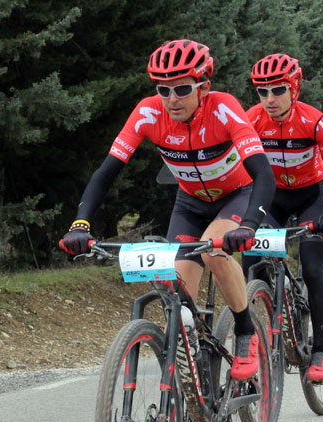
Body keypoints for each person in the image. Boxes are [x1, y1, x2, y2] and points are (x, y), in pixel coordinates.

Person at [61, 39, 275, 383]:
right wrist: (80, 224)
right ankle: (190, 385)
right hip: (190, 203)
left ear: (203, 87)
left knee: (215, 253)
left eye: (182, 88)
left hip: (237, 194)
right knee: (177, 293)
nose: (172, 98)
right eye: (163, 89)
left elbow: (264, 173)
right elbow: (106, 172)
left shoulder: (223, 108)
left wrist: (249, 225)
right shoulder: (148, 112)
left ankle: (245, 329)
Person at [243, 53, 323, 383]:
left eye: (277, 90)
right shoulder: (252, 120)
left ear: (294, 89)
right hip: (273, 199)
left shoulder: (314, 121)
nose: (269, 99)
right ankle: (258, 315)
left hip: (311, 196)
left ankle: (319, 350)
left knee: (312, 266)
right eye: (262, 92)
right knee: (251, 259)